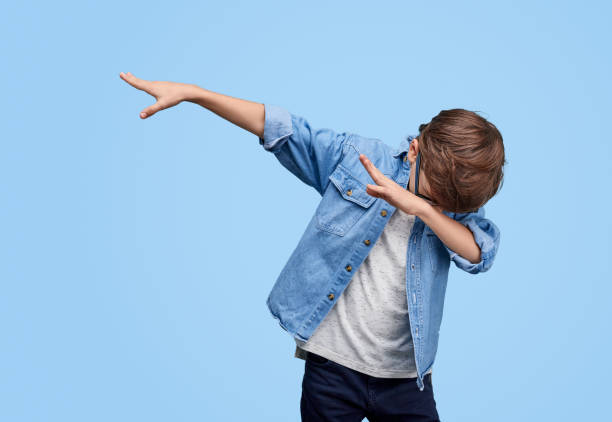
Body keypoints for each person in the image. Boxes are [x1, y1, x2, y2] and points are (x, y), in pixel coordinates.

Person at [119, 72, 506, 421]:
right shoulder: (359, 159)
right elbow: (283, 130)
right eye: (433, 195)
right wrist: (195, 94)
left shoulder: (455, 196)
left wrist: (422, 207)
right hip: (332, 368)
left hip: (407, 380)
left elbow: (479, 254)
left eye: (448, 206)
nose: (440, 205)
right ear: (416, 150)